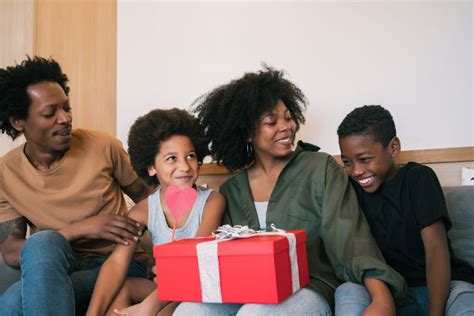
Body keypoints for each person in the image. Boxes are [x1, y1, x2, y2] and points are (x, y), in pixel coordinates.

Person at [173, 67, 406, 316]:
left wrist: (382, 298)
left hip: (309, 288)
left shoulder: (320, 169)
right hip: (247, 292)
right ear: (247, 133)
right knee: (189, 311)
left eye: (288, 117)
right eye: (272, 122)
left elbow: (350, 240)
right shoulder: (232, 190)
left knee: (255, 314)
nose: (286, 127)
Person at [0, 56, 153, 316]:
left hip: (117, 262)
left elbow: (149, 198)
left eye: (66, 108)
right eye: (50, 113)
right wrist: (80, 229)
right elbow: (12, 251)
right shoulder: (6, 173)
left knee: (14, 300)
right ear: (18, 121)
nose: (65, 119)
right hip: (56, 263)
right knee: (42, 242)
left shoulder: (103, 146)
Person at [336, 105, 474, 316]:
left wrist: (435, 313)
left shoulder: (418, 179)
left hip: (443, 286)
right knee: (348, 291)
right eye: (347, 162)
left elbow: (436, 250)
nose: (356, 171)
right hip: (393, 290)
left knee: (465, 306)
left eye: (364, 159)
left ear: (393, 148)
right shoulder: (351, 188)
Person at [86, 108, 226, 316]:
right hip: (164, 289)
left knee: (161, 311)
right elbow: (117, 262)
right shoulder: (143, 211)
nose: (185, 166)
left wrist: (148, 306)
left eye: (190, 156)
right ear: (151, 167)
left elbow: (194, 260)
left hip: (196, 287)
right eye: (172, 158)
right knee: (121, 288)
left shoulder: (213, 202)